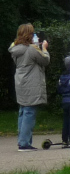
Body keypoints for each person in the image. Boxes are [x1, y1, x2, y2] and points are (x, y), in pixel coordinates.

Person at [9, 24, 49, 152]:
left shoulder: (15, 48)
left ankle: (22, 141)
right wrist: (44, 48)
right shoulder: (31, 49)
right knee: (30, 112)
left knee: (23, 111)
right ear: (29, 35)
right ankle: (24, 143)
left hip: (20, 82)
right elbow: (45, 60)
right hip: (31, 83)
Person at [57, 56, 70, 149]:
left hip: (64, 101)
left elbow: (59, 89)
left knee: (65, 120)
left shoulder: (62, 76)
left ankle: (64, 140)